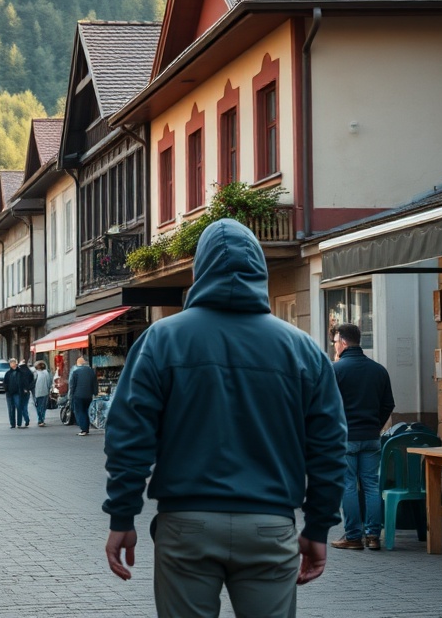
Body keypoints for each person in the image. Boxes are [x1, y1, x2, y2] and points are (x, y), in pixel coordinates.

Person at [102, 218, 347, 617]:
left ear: (199, 272)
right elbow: (329, 447)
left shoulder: (161, 340)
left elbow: (128, 436)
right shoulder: (302, 350)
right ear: (260, 272)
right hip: (269, 524)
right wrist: (318, 527)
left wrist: (122, 515)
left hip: (186, 524)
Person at [330, 322, 395, 551]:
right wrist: (375, 426)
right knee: (371, 485)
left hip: (344, 437)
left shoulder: (335, 370)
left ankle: (353, 536)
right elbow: (388, 403)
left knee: (347, 485)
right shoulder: (378, 370)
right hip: (371, 437)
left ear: (344, 342)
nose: (334, 346)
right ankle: (374, 536)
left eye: (335, 342)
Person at [68, 353, 97, 436]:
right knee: (86, 411)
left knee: (80, 411)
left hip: (78, 395)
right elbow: (94, 383)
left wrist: (71, 395)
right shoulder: (91, 371)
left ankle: (84, 429)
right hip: (88, 395)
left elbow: (72, 385)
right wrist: (95, 392)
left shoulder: (75, 372)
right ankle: (86, 428)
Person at [2, 359, 23, 428]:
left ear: (16, 363)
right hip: (9, 393)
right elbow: (5, 382)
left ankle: (19, 423)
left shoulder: (20, 372)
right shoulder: (8, 373)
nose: (12, 364)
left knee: (19, 408)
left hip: (18, 393)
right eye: (11, 363)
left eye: (13, 362)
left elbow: (24, 381)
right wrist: (6, 390)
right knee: (11, 409)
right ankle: (12, 424)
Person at [17, 358, 35, 428]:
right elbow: (32, 382)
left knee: (20, 407)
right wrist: (28, 388)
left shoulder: (19, 372)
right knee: (25, 406)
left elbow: (19, 382)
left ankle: (25, 420)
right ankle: (26, 419)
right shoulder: (29, 372)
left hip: (20, 392)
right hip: (27, 392)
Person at [33, 360, 51, 426]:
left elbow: (33, 383)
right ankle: (42, 419)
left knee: (38, 406)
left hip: (36, 392)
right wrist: (49, 389)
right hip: (45, 392)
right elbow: (49, 382)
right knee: (43, 407)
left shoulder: (35, 373)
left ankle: (40, 419)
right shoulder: (46, 373)